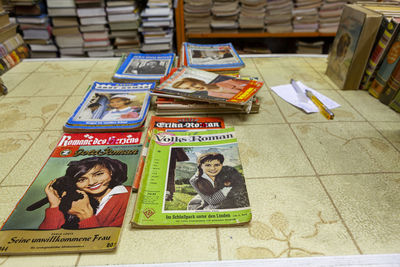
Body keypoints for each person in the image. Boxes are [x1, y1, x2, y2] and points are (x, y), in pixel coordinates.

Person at [39, 157, 131, 229]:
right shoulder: (75, 201)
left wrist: (85, 215)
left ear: (110, 172)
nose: (91, 182)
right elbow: (43, 237)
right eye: (82, 179)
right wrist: (54, 206)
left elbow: (101, 241)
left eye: (98, 174)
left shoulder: (127, 196)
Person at [172, 76, 247, 99]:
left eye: (193, 85)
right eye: (188, 89)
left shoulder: (229, 80)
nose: (194, 88)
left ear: (200, 80)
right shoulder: (212, 97)